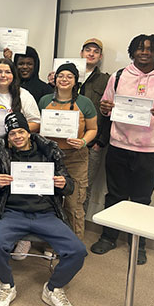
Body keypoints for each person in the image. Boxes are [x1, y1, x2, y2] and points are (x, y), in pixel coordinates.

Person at [90, 34, 154, 265]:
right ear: (132, 51)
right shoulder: (119, 75)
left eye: (149, 49)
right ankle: (108, 236)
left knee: (142, 198)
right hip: (119, 144)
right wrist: (105, 109)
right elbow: (106, 106)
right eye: (140, 48)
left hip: (150, 149)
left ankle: (138, 243)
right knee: (115, 194)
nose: (144, 52)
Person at [0, 112, 87, 306]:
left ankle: (53, 289)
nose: (17, 136)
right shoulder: (1, 152)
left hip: (45, 213)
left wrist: (63, 183)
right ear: (8, 137)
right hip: (12, 213)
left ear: (29, 133)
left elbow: (69, 185)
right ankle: (7, 285)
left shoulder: (49, 152)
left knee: (77, 251)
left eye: (21, 131)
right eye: (12, 134)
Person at [46, 39, 111, 213]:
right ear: (81, 53)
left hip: (89, 145)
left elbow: (108, 113)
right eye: (87, 50)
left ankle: (74, 234)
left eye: (95, 51)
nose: (91, 53)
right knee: (53, 190)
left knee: (80, 192)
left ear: (100, 56)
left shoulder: (105, 79)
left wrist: (100, 141)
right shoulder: (58, 82)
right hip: (58, 146)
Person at [39, 63, 97, 240]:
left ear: (75, 81)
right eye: (61, 76)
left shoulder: (84, 102)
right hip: (50, 157)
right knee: (50, 202)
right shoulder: (45, 100)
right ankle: (51, 243)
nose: (64, 79)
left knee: (74, 204)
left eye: (69, 76)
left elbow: (93, 129)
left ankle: (74, 245)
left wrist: (83, 141)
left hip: (75, 157)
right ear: (55, 79)